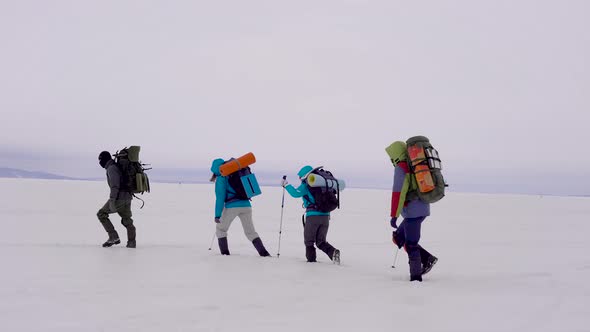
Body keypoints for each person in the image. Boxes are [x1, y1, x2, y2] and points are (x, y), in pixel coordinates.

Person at [386, 141, 438, 282]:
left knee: (411, 244)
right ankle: (428, 259)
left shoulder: (401, 167)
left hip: (412, 212)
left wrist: (394, 215)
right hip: (422, 209)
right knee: (398, 237)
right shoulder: (413, 165)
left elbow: (398, 193)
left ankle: (415, 279)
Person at [210, 158, 270, 257]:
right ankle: (264, 254)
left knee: (221, 230)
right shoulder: (236, 172)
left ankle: (225, 255)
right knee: (250, 232)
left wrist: (217, 215)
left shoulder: (222, 178)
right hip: (246, 206)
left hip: (232, 207)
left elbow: (220, 198)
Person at [282, 165, 340, 264]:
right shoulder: (322, 184)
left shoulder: (307, 184)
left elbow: (295, 193)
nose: (300, 180)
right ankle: (333, 252)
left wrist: (286, 185)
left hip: (313, 217)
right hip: (325, 216)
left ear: (304, 176)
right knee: (321, 241)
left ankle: (311, 263)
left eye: (300, 177)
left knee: (309, 241)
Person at [97, 151, 136, 248]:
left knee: (101, 214)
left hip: (119, 198)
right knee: (127, 219)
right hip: (127, 197)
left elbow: (115, 186)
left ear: (104, 159)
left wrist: (112, 200)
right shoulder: (116, 166)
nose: (99, 162)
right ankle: (132, 242)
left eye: (100, 160)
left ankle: (113, 237)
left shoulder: (112, 168)